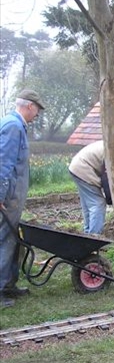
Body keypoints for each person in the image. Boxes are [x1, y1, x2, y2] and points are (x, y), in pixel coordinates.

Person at [0, 89, 46, 308]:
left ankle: (9, 284)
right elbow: (4, 164)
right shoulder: (13, 126)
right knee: (4, 241)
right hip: (7, 198)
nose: (37, 114)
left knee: (12, 241)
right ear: (29, 106)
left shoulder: (15, 125)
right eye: (37, 109)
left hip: (12, 197)